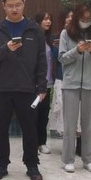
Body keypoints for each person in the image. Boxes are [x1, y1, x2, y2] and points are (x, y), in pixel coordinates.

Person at [0, 0, 48, 180]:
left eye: (18, 5)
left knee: (30, 129)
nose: (14, 9)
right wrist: (6, 49)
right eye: (10, 5)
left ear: (24, 4)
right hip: (1, 89)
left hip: (27, 89)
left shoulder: (34, 30)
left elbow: (41, 59)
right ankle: (1, 165)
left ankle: (32, 165)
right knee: (0, 130)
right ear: (3, 6)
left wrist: (42, 85)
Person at [58, 2, 91, 173]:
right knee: (70, 124)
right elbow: (62, 58)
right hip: (70, 83)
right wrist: (77, 51)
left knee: (88, 125)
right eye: (83, 18)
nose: (85, 22)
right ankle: (68, 159)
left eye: (89, 19)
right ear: (76, 17)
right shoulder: (66, 33)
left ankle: (89, 160)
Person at [49, 7, 73, 139]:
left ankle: (75, 137)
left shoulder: (78, 37)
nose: (70, 19)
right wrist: (57, 48)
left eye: (72, 16)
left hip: (74, 78)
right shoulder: (56, 37)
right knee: (62, 107)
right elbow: (54, 58)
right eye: (67, 16)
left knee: (73, 109)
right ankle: (63, 134)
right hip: (61, 76)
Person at [34, 11, 55, 155]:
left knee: (44, 114)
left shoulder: (50, 39)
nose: (48, 22)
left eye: (50, 19)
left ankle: (42, 142)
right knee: (33, 114)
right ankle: (33, 143)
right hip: (34, 84)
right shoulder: (34, 38)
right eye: (45, 19)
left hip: (48, 83)